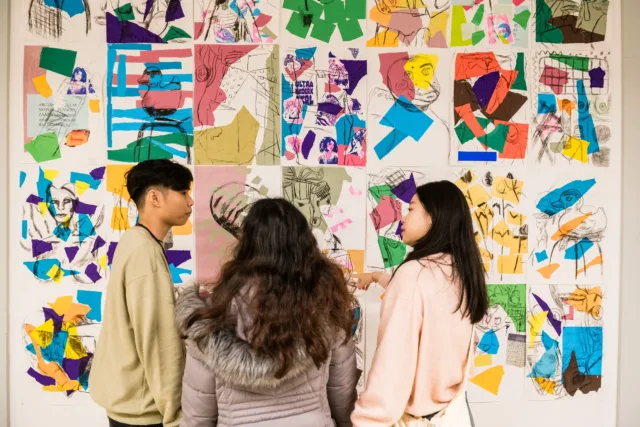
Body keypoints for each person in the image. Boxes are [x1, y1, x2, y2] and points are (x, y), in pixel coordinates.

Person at [175, 198, 360, 427]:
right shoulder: (326, 306)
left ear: (246, 245)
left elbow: (198, 413)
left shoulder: (213, 315)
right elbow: (342, 395)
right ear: (305, 244)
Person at [351, 181, 488, 426]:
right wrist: (374, 277)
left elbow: (391, 371)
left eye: (411, 209)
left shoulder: (414, 275)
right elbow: (422, 295)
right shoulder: (461, 272)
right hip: (454, 415)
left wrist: (366, 421)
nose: (403, 217)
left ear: (432, 218)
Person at [89, 159, 194, 427]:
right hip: (143, 412)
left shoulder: (133, 240)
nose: (190, 201)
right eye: (183, 192)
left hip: (126, 401)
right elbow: (158, 342)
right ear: (155, 197)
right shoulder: (145, 252)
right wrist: (176, 416)